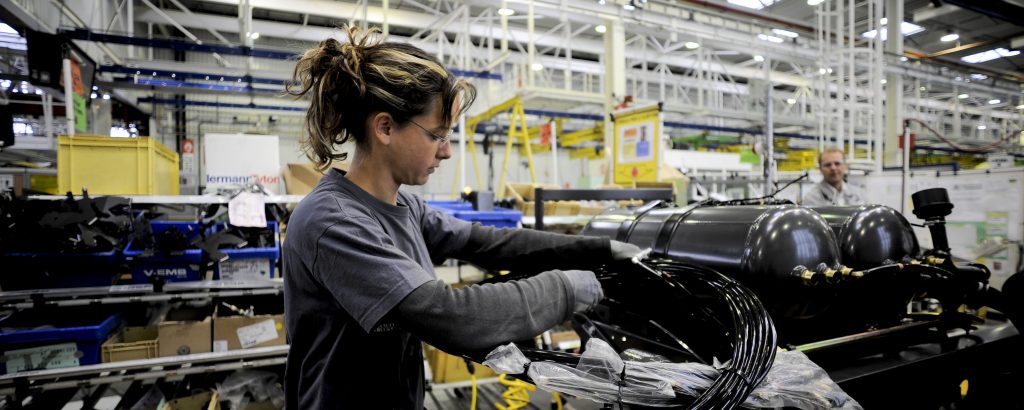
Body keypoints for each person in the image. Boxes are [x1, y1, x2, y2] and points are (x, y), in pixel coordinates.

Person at [282, 26, 641, 409]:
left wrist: (598, 249)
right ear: (385, 127)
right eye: (438, 136)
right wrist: (564, 289)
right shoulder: (334, 223)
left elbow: (485, 243)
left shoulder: (404, 207)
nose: (447, 152)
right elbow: (449, 317)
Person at [801, 147, 865, 206]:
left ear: (845, 166)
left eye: (837, 163)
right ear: (820, 169)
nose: (833, 168)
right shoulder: (811, 198)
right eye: (828, 165)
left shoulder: (859, 194)